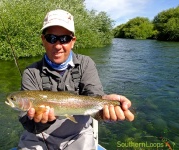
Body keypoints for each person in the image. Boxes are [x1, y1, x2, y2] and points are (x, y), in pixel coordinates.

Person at [18, 9, 134, 150]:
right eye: (51, 38)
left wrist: (106, 104)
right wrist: (41, 122)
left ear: (73, 41)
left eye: (65, 39)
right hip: (39, 137)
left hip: (78, 136)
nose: (58, 45)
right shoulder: (30, 72)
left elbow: (94, 98)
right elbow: (28, 124)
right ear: (43, 40)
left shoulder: (86, 64)